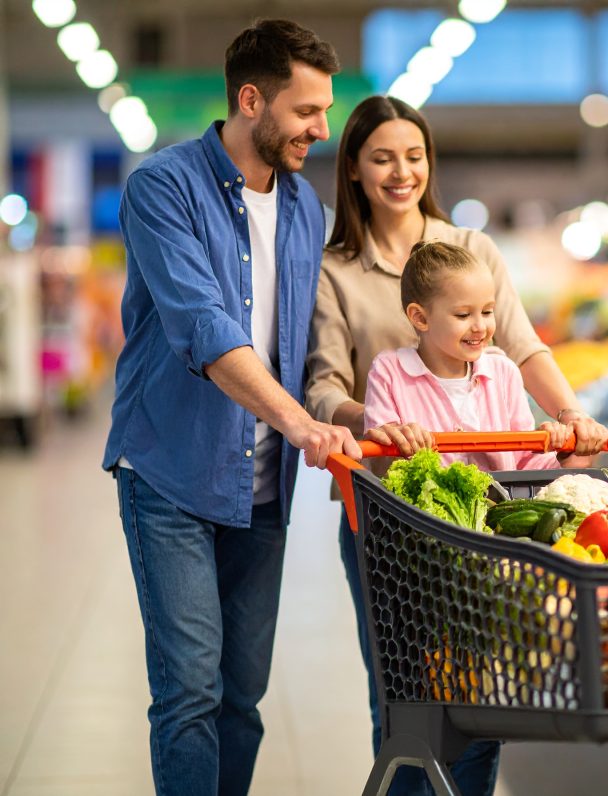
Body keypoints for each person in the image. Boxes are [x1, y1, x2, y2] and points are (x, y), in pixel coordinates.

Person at [304, 95, 607, 795]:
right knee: (407, 692)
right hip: (388, 512)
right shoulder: (336, 269)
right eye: (382, 157)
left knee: (486, 686)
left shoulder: (472, 251)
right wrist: (376, 423)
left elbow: (522, 348)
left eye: (414, 155)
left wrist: (572, 419)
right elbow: (322, 385)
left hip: (486, 516)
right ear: (353, 168)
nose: (401, 171)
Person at [102, 19, 361, 796]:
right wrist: (298, 422)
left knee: (242, 699)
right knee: (190, 694)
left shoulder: (306, 210)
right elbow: (204, 331)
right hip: (171, 471)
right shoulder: (163, 188)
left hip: (264, 487)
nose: (322, 129)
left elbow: (310, 341)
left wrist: (357, 411)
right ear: (252, 100)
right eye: (307, 111)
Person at [363, 239, 604, 474]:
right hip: (414, 514)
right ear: (420, 318)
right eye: (463, 315)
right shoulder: (389, 372)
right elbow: (382, 467)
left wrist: (561, 454)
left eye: (488, 311)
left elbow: (523, 468)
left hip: (498, 514)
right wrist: (399, 442)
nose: (480, 326)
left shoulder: (503, 373)